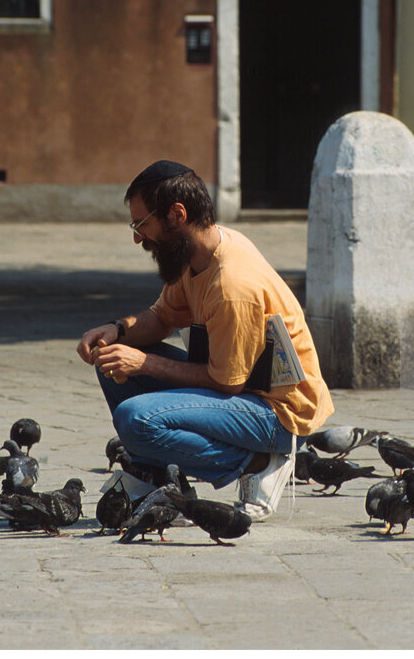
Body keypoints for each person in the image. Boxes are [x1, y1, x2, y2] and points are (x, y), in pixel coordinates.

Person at [76, 160, 334, 520]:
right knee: (112, 362)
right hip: (242, 389)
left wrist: (144, 363)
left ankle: (258, 462)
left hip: (278, 414)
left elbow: (226, 382)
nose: (138, 237)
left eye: (142, 224)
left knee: (134, 419)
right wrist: (116, 330)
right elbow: (163, 317)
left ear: (176, 215)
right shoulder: (196, 255)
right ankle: (157, 475)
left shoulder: (232, 285)